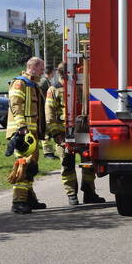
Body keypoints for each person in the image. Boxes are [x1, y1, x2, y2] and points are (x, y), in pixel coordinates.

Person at [45, 62, 105, 206]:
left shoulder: (81, 87)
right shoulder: (54, 90)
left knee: (88, 162)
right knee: (67, 164)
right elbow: (49, 114)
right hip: (63, 133)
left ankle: (89, 192)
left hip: (82, 131)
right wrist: (56, 133)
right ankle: (72, 194)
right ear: (64, 73)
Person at [7, 57, 47, 214]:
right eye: (41, 68)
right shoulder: (20, 83)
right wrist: (22, 127)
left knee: (31, 167)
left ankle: (29, 198)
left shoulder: (33, 85)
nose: (43, 71)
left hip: (32, 133)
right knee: (23, 165)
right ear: (33, 67)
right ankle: (18, 201)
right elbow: (16, 105)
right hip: (23, 133)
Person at [38, 65, 57, 158]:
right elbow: (40, 92)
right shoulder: (44, 82)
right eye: (54, 72)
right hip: (44, 109)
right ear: (51, 72)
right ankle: (48, 152)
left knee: (48, 130)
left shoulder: (46, 81)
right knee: (46, 131)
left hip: (46, 108)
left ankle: (49, 151)